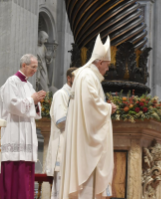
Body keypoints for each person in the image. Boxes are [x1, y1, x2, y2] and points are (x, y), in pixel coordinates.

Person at [60, 35, 117, 199]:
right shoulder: (87, 76)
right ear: (100, 62)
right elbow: (89, 106)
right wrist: (108, 108)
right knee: (87, 187)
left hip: (85, 136)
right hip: (85, 142)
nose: (107, 69)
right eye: (107, 65)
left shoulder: (88, 77)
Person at [0, 54, 46, 199]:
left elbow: (35, 113)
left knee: (25, 180)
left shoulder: (29, 85)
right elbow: (12, 105)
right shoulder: (12, 82)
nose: (35, 70)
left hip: (26, 137)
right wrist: (32, 99)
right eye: (33, 67)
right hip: (14, 134)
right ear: (24, 65)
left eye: (37, 67)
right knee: (13, 180)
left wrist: (36, 101)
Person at [45, 67, 77, 199]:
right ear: (69, 78)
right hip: (62, 147)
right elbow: (60, 121)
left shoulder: (75, 96)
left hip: (72, 148)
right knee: (61, 191)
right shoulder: (61, 95)